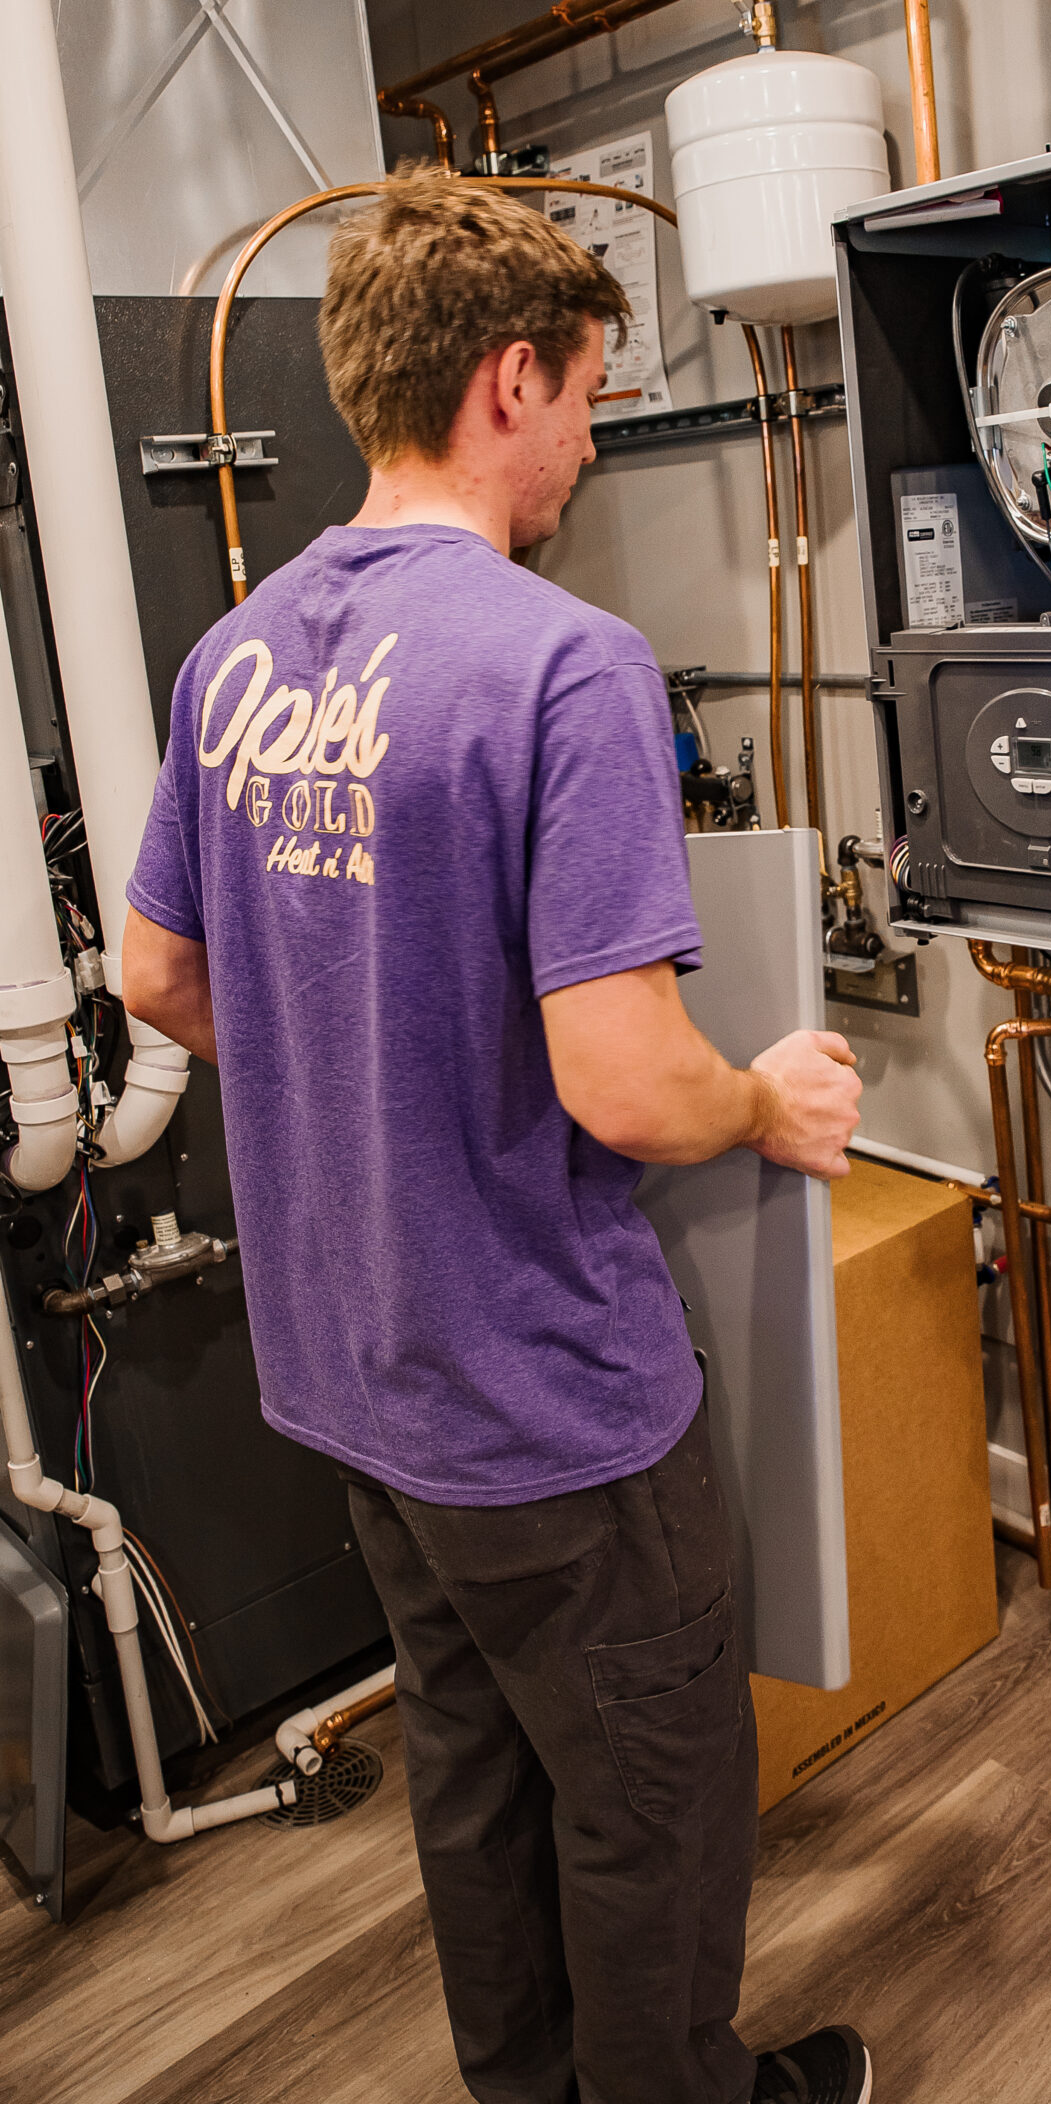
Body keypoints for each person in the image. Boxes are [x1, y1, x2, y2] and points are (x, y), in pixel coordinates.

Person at [123, 165, 871, 2104]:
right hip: (546, 1394)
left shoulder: (234, 656)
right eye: (597, 394)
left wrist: (343, 1044)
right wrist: (762, 1096)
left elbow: (154, 974)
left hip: (356, 1374)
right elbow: (625, 1082)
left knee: (474, 1781)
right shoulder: (559, 660)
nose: (594, 438)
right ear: (509, 379)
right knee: (648, 1801)